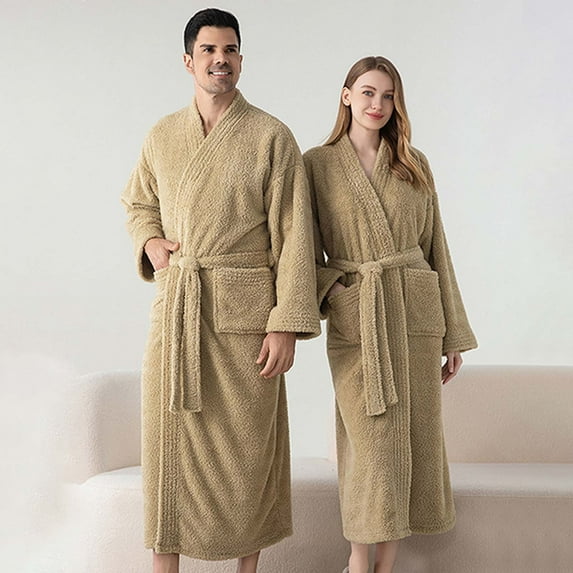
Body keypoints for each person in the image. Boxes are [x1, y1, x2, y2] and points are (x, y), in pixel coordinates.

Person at [121, 9, 320, 573]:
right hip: (178, 310)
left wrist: (286, 322)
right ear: (189, 61)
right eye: (208, 50)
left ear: (241, 59)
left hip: (246, 317)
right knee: (168, 443)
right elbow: (138, 202)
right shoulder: (162, 135)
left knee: (247, 449)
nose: (220, 59)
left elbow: (295, 236)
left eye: (229, 49)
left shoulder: (271, 136)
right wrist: (150, 242)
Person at [303, 56, 478, 573]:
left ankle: (387, 566)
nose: (377, 104)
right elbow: (300, 250)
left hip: (414, 315)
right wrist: (335, 290)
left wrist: (452, 334)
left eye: (388, 96)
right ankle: (358, 562)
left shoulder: (412, 162)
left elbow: (436, 248)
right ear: (346, 95)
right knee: (370, 446)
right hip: (360, 317)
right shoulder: (316, 165)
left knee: (412, 440)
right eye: (368, 92)